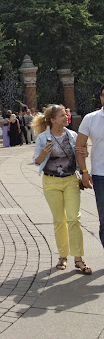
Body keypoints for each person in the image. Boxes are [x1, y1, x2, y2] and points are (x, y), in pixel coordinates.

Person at [33, 105, 92, 274]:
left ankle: (78, 258)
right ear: (53, 120)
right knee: (59, 221)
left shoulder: (72, 135)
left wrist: (84, 157)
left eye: (66, 114)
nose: (66, 117)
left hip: (70, 180)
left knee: (74, 219)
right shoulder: (43, 138)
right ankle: (63, 256)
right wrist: (43, 154)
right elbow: (37, 161)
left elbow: (81, 155)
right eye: (62, 115)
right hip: (51, 182)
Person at [76, 85, 104, 251]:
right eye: (103, 95)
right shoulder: (91, 118)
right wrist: (84, 172)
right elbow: (80, 146)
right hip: (100, 176)